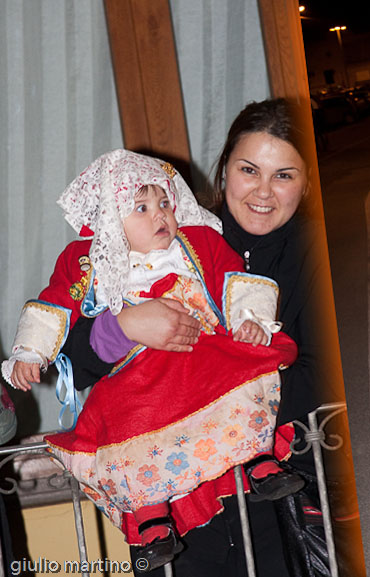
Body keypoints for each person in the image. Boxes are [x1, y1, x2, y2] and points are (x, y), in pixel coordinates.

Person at [58, 99, 358, 577]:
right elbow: (72, 364)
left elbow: (327, 372)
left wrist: (208, 414)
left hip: (282, 498)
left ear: (306, 183)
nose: (263, 191)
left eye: (284, 175)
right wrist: (126, 327)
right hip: (177, 515)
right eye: (248, 170)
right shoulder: (168, 240)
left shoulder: (319, 251)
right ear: (224, 173)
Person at [1, 149, 302, 571]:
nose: (160, 214)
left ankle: (259, 460)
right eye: (140, 208)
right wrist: (29, 352)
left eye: (164, 202)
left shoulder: (198, 242)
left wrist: (250, 320)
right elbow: (54, 306)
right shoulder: (89, 261)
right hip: (140, 375)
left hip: (203, 354)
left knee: (241, 377)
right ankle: (148, 518)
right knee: (124, 420)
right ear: (109, 220)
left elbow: (235, 277)